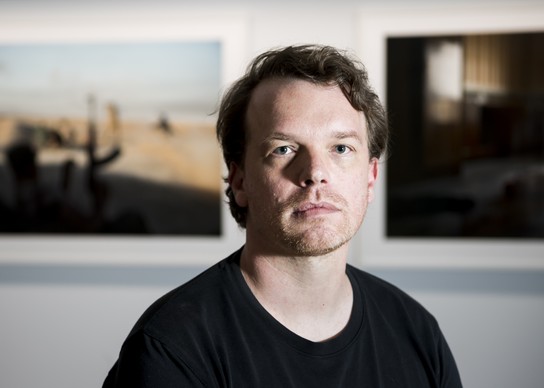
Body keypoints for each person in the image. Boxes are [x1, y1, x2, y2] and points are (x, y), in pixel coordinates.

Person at [103, 44, 462, 387]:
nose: (315, 172)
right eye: (284, 149)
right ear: (240, 180)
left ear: (370, 177)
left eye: (341, 148)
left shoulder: (416, 331)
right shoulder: (173, 347)